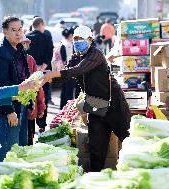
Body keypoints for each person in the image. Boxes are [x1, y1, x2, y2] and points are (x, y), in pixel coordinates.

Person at [44, 26, 131, 172]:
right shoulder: (76, 56)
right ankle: (96, 176)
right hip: (95, 104)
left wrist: (53, 74)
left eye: (81, 40)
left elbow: (77, 70)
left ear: (90, 40)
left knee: (126, 135)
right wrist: (47, 78)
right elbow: (67, 74)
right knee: (96, 143)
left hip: (113, 102)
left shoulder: (95, 54)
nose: (78, 43)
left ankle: (139, 167)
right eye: (76, 39)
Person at [0, 16, 31, 161]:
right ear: (5, 32)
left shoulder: (20, 50)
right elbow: (0, 86)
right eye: (14, 30)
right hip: (9, 110)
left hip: (22, 105)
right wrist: (9, 111)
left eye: (20, 29)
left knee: (21, 150)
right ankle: (3, 182)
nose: (18, 33)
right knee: (9, 152)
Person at [26, 17, 54, 133]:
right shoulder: (47, 37)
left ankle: (31, 126)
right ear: (41, 24)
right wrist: (41, 69)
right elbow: (49, 55)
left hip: (29, 74)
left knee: (30, 98)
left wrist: (34, 69)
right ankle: (42, 125)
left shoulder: (27, 37)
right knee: (43, 98)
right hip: (44, 74)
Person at [20, 35, 46, 145]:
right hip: (16, 107)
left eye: (26, 44)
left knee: (28, 139)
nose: (25, 46)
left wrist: (40, 106)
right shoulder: (9, 60)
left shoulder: (30, 59)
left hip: (30, 105)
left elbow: (38, 84)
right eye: (23, 44)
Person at [59, 28, 75, 109]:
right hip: (68, 70)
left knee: (64, 90)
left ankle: (62, 107)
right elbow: (68, 59)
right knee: (69, 91)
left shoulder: (62, 42)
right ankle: (67, 108)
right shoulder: (68, 45)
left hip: (62, 70)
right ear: (70, 35)